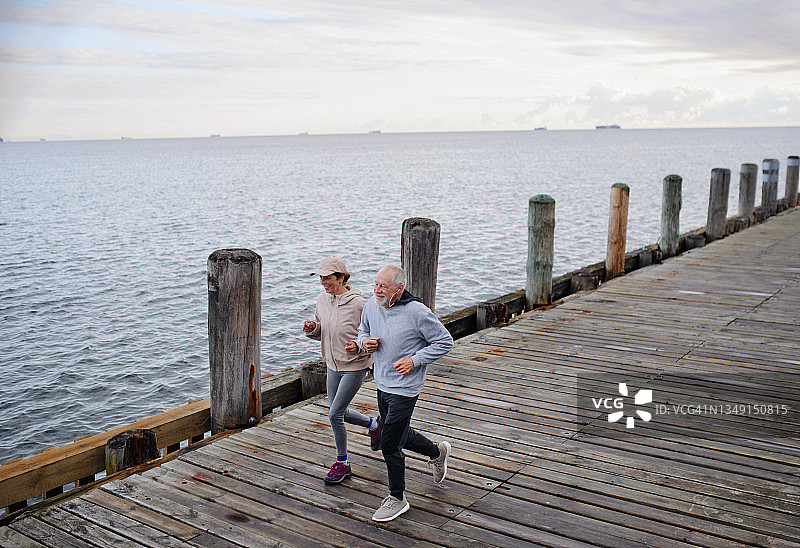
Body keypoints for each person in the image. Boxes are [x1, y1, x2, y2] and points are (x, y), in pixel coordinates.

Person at [356, 264, 454, 522]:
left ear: (399, 289)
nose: (377, 290)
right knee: (398, 433)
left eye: (383, 286)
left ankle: (397, 498)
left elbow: (445, 341)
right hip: (382, 383)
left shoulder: (418, 312)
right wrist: (363, 342)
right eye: (375, 284)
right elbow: (362, 331)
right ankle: (436, 453)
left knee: (389, 442)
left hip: (406, 388)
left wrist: (415, 360)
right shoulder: (371, 305)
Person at [303, 256, 382, 485]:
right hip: (331, 364)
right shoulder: (322, 300)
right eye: (321, 277)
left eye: (327, 277)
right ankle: (374, 425)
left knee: (334, 414)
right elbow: (323, 330)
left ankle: (342, 463)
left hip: (355, 366)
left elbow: (373, 336)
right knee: (339, 411)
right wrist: (312, 329)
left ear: (341, 277)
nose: (323, 282)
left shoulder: (360, 304)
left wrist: (357, 345)